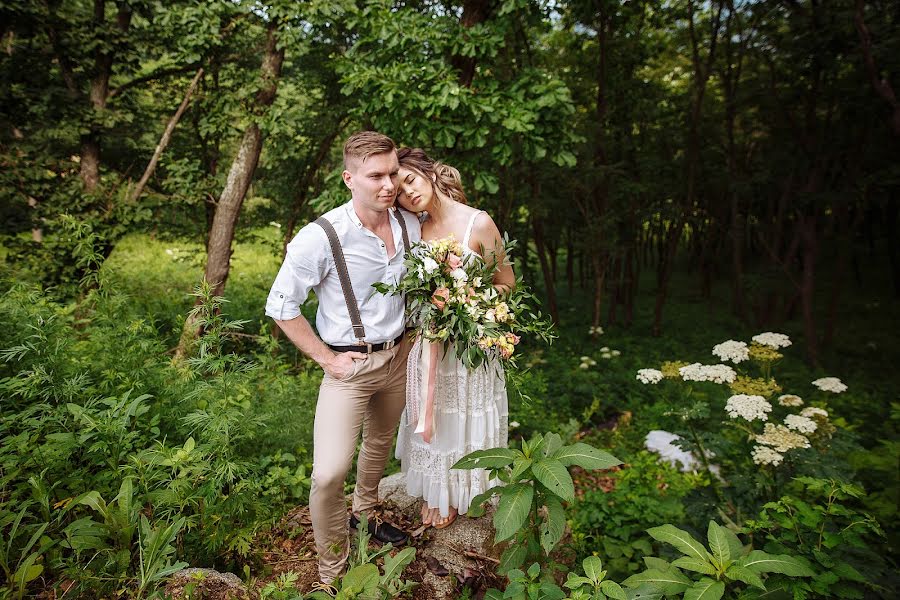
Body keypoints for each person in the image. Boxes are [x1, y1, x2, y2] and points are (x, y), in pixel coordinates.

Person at [265, 131, 421, 587]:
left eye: (393, 172)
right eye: (376, 176)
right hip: (349, 370)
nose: (388, 184)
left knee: (379, 443)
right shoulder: (321, 236)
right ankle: (331, 573)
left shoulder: (411, 224)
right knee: (329, 473)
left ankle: (367, 512)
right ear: (349, 178)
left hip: (400, 357)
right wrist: (326, 359)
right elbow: (280, 305)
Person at [393, 147, 513, 529]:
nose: (407, 193)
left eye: (409, 180)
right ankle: (438, 492)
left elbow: (506, 283)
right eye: (398, 192)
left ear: (427, 172)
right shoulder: (412, 230)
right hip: (431, 344)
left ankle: (465, 490)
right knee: (437, 414)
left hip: (471, 344)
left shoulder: (478, 224)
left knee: (464, 415)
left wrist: (469, 303)